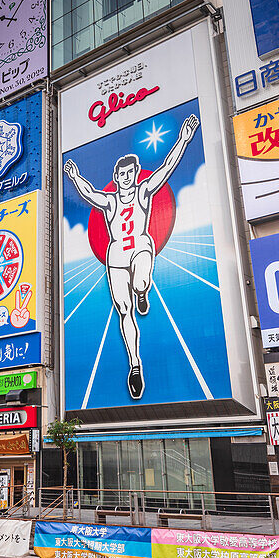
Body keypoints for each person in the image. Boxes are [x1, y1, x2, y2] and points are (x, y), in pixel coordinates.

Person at [63, 113, 199, 400]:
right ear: (116, 177)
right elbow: (89, 193)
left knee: (139, 283)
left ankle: (142, 291)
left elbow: (166, 168)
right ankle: (135, 366)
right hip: (116, 256)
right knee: (124, 311)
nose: (127, 178)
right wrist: (75, 177)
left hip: (140, 246)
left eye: (131, 174)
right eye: (122, 175)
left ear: (136, 174)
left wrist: (183, 139)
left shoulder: (144, 192)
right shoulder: (110, 201)